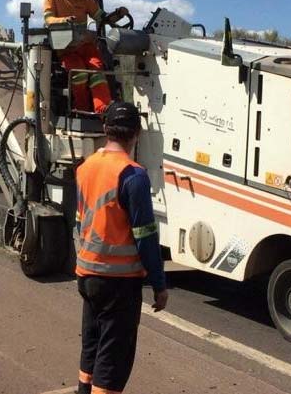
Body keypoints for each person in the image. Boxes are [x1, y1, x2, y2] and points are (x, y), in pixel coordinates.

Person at [75, 101, 168, 394]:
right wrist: (159, 283)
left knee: (92, 348)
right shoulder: (133, 175)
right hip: (119, 282)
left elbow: (81, 220)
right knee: (113, 360)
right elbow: (145, 236)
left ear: (106, 130)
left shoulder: (86, 167)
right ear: (136, 134)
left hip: (87, 272)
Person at [43, 0, 129, 114]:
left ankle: (103, 109)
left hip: (85, 46)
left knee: (97, 70)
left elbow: (102, 18)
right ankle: (82, 111)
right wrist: (64, 20)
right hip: (65, 48)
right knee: (79, 72)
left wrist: (118, 14)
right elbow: (48, 19)